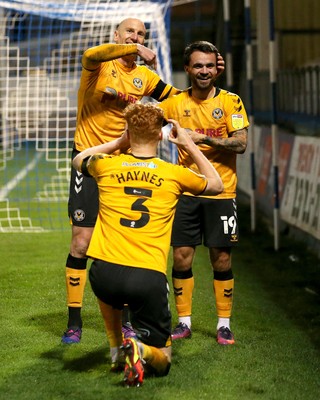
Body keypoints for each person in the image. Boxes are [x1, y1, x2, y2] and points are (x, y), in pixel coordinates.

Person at [62, 17, 225, 344]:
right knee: (81, 242)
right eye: (130, 33)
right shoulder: (99, 66)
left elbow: (180, 98)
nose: (136, 38)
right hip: (94, 157)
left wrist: (206, 74)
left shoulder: (146, 78)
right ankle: (74, 320)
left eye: (141, 34)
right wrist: (134, 48)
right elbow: (92, 54)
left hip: (126, 163)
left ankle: (123, 323)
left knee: (123, 244)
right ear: (117, 36)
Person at [72, 102, 224, 386]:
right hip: (146, 277)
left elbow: (79, 159)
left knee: (109, 291)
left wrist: (119, 142)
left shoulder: (106, 166)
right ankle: (139, 350)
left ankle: (117, 351)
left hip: (103, 273)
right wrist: (189, 144)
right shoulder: (173, 174)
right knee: (164, 360)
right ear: (160, 135)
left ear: (128, 131)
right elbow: (216, 185)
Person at [158, 41, 249, 345]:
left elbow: (240, 144)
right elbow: (146, 124)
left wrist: (200, 140)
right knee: (182, 257)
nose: (204, 71)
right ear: (187, 69)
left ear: (216, 68)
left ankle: (223, 324)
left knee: (221, 259)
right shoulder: (173, 104)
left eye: (209, 66)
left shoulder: (231, 102)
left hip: (222, 193)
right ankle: (184, 322)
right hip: (185, 193)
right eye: (198, 66)